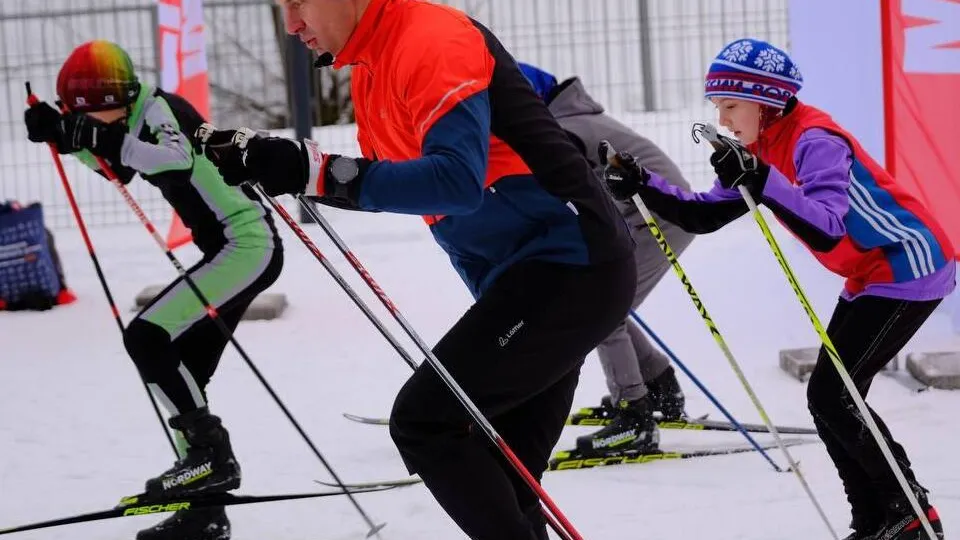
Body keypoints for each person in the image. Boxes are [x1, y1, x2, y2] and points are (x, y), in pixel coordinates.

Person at [194, 0, 636, 538]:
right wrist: (289, 169)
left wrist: (318, 172)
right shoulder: (372, 68)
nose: (291, 26)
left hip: (571, 266)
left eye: (298, 3)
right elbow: (387, 183)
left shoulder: (431, 39)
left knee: (427, 421)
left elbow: (455, 183)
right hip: (524, 283)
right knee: (501, 479)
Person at [600, 38, 951, 540]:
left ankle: (909, 515)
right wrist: (641, 184)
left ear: (766, 99)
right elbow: (707, 214)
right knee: (829, 397)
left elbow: (827, 225)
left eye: (731, 105)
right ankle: (875, 519)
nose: (722, 119)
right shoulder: (758, 147)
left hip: (910, 263)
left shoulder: (815, 139)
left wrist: (763, 179)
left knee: (836, 395)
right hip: (871, 272)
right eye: (717, 107)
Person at [24, 40, 284, 540]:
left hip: (247, 244)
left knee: (145, 337)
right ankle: (206, 512)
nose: (100, 125)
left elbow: (174, 160)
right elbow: (117, 165)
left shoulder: (159, 109)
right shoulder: (128, 118)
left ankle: (212, 460)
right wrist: (66, 137)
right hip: (230, 250)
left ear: (117, 98)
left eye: (95, 116)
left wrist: (90, 135)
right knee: (178, 372)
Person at [518, 62, 692, 457]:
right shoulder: (574, 119)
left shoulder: (567, 131)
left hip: (659, 219)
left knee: (601, 311)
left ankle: (635, 419)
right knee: (610, 306)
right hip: (651, 216)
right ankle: (658, 387)